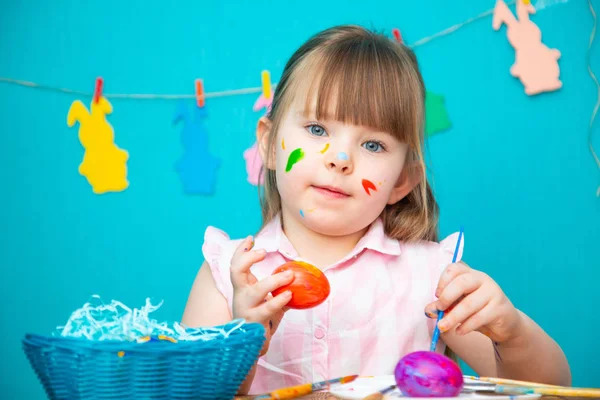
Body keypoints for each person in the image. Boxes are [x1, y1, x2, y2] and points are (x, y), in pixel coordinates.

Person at [181, 25, 571, 395]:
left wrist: (513, 332)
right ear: (267, 144)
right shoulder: (232, 272)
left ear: (402, 179)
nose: (340, 158)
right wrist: (242, 345)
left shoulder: (432, 281)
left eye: (373, 145)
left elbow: (551, 389)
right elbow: (183, 394)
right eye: (317, 129)